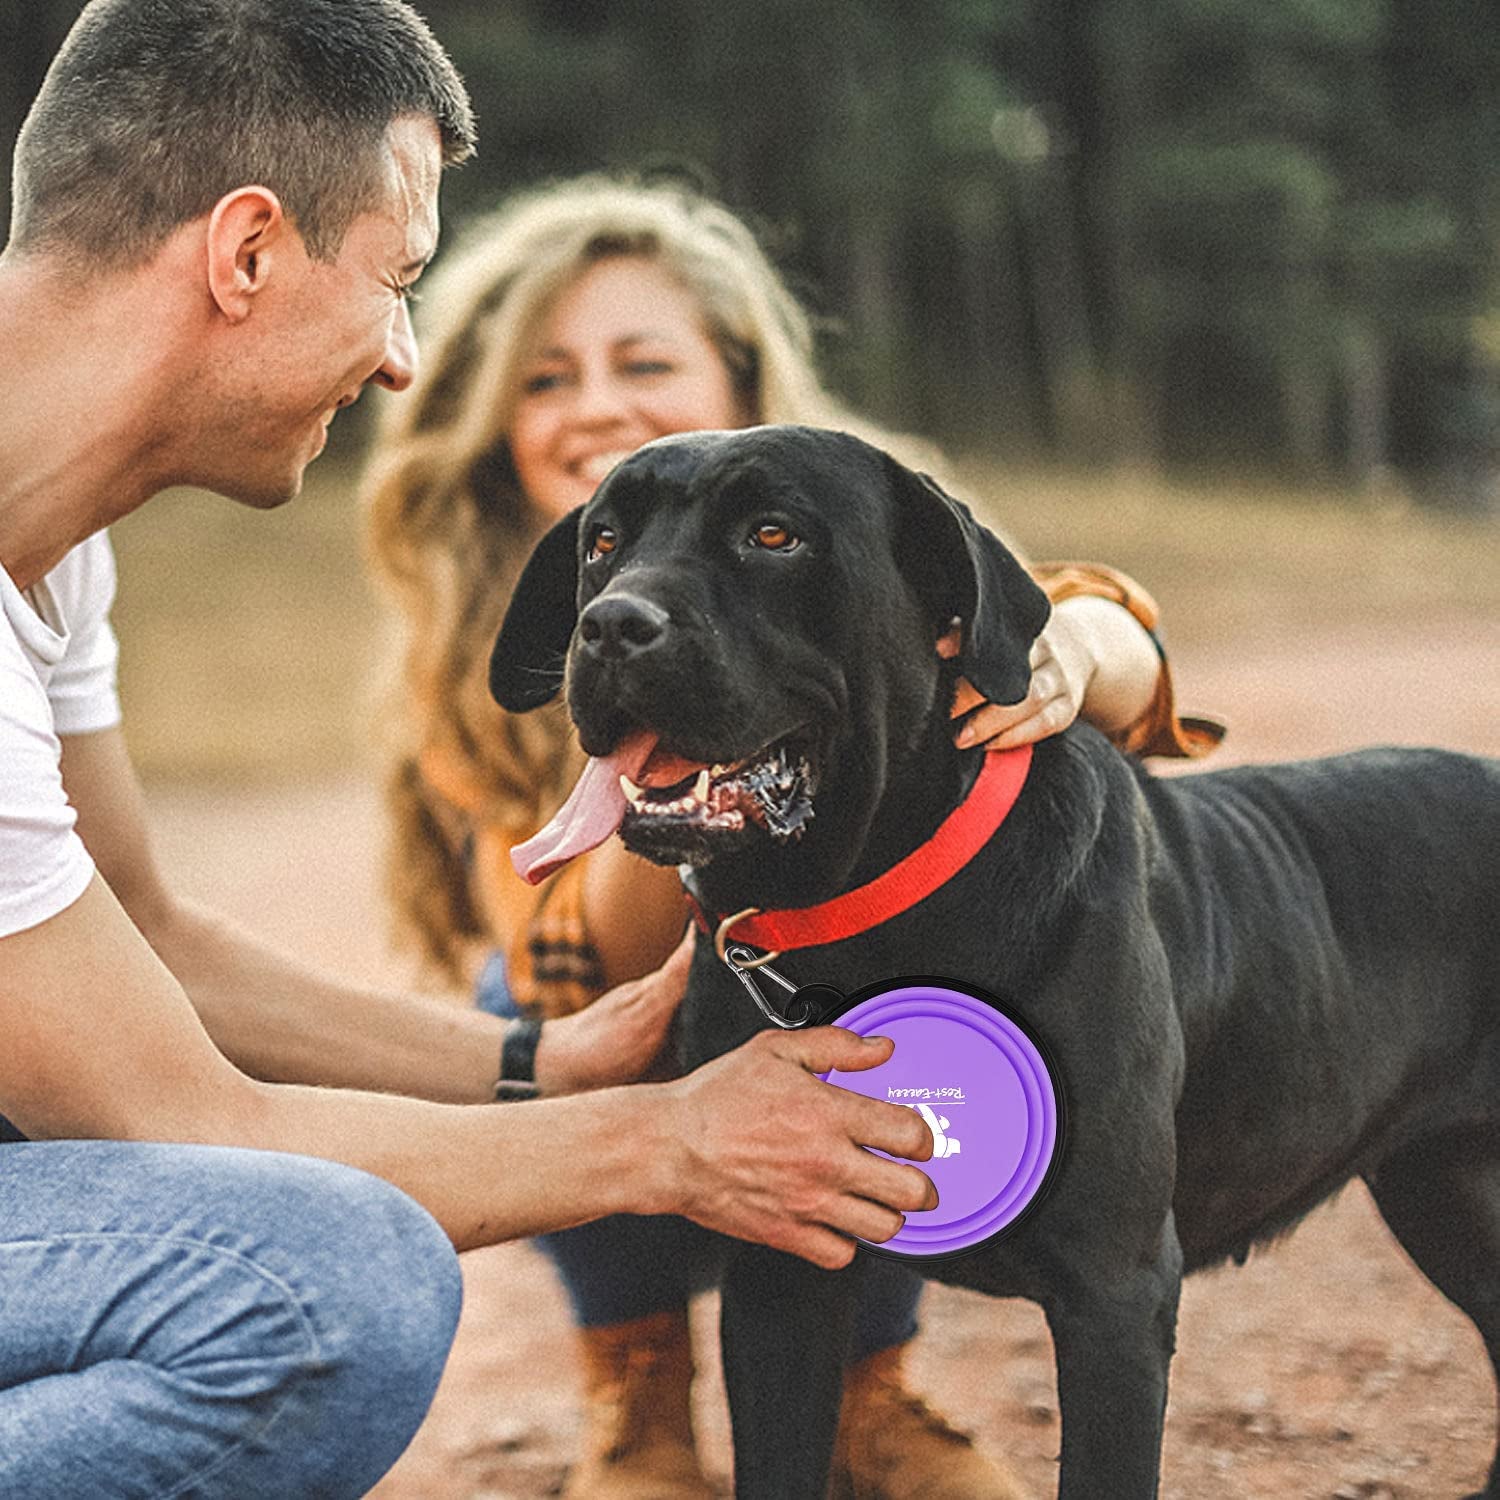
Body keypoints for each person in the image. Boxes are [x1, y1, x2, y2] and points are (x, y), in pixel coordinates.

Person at [0, 6, 949, 1497]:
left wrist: (536, 1060)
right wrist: (671, 1141)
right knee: (325, 1285)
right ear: (246, 253)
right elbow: (185, 1119)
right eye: (397, 282)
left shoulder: (55, 547)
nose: (398, 361)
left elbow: (150, 938)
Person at [363, 173, 1221, 1500]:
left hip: (868, 965)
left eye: (644, 361)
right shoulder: (493, 632)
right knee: (550, 1003)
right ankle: (641, 1388)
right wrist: (685, 784)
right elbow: (554, 945)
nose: (597, 403)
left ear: (742, 374)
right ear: (490, 424)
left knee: (892, 969)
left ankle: (861, 1394)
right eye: (546, 379)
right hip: (637, 1001)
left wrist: (1087, 641)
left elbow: (1054, 619)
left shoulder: (838, 521)